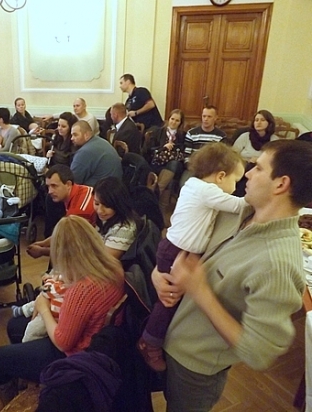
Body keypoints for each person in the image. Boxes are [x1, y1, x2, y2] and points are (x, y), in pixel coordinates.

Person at [152, 139, 312, 411]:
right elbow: (184, 243)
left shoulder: (278, 264)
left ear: (281, 184)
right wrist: (158, 274)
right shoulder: (238, 212)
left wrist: (200, 291)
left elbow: (259, 351)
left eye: (258, 168)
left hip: (196, 367)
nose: (248, 173)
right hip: (170, 339)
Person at [0, 215, 126, 410]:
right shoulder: (113, 266)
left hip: (75, 355)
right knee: (14, 325)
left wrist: (43, 307)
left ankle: (10, 405)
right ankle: (23, 382)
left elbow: (63, 342)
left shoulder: (83, 289)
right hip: (99, 343)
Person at [138, 143, 247, 372]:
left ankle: (156, 337)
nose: (236, 187)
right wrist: (259, 198)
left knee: (171, 299)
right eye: (236, 181)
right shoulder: (207, 191)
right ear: (220, 176)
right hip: (176, 251)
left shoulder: (194, 184)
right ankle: (150, 342)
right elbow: (240, 206)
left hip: (175, 248)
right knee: (168, 301)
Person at [27, 165, 95, 259]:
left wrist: (42, 251)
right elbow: (64, 234)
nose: (50, 191)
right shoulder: (79, 190)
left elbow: (72, 249)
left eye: (54, 186)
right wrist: (44, 243)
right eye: (48, 186)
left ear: (68, 184)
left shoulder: (79, 210)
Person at [232, 110, 279, 197]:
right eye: (256, 120)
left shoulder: (274, 140)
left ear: (269, 123)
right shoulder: (245, 136)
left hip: (262, 170)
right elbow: (233, 154)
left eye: (262, 120)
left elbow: (275, 159)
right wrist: (246, 160)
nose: (258, 123)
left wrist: (258, 160)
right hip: (244, 168)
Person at [145, 109, 186, 206]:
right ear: (168, 119)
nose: (174, 122)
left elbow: (182, 150)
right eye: (172, 119)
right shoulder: (158, 132)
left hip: (175, 164)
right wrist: (163, 147)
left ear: (180, 123)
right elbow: (149, 149)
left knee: (174, 164)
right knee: (170, 176)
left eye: (177, 120)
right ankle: (162, 204)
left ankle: (156, 192)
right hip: (158, 162)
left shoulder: (182, 135)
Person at [93, 176, 141, 259]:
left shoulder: (124, 230)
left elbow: (104, 261)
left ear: (118, 204)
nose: (100, 211)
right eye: (96, 204)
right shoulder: (108, 218)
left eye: (107, 206)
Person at [180, 105, 227, 187]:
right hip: (193, 167)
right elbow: (186, 155)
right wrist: (192, 167)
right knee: (184, 185)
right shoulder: (191, 133)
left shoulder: (221, 136)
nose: (205, 119)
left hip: (211, 169)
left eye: (209, 116)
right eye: (204, 116)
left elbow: (221, 157)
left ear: (215, 118)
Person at [70, 120, 122, 187]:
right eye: (71, 135)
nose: (72, 138)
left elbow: (73, 182)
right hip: (114, 187)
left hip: (100, 190)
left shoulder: (85, 152)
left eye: (75, 135)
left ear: (87, 135)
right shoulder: (100, 141)